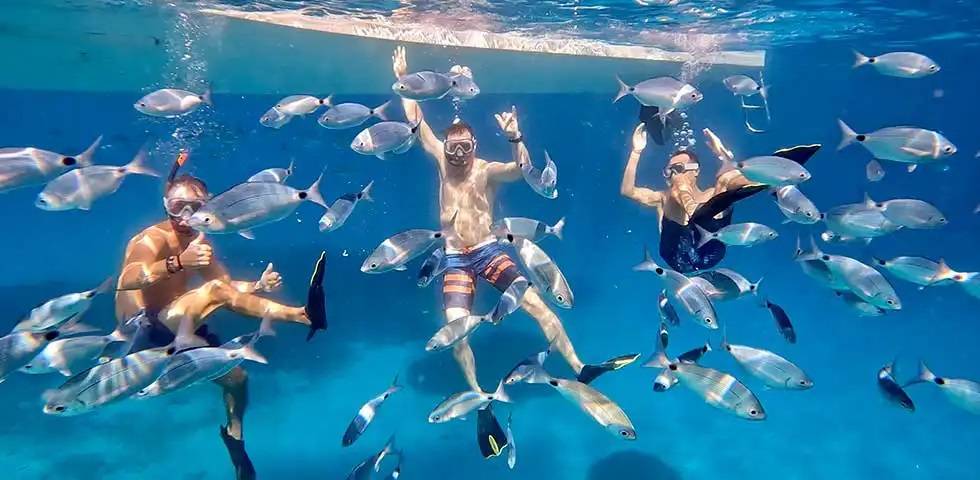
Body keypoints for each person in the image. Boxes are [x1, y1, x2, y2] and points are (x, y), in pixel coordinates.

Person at [392, 46, 637, 395]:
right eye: (452, 147)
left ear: (475, 145)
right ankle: (479, 394)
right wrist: (403, 80)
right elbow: (417, 121)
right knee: (456, 333)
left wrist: (514, 137)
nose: (458, 154)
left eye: (465, 147)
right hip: (454, 258)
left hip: (488, 252)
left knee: (537, 306)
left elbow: (521, 171)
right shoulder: (442, 162)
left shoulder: (485, 170)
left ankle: (580, 367)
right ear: (444, 146)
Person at [115, 151, 321, 480]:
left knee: (236, 377)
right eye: (177, 207)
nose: (185, 216)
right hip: (144, 329)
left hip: (180, 321)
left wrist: (257, 285)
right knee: (211, 296)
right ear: (166, 205)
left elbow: (224, 286)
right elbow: (128, 279)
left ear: (208, 207)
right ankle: (301, 315)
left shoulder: (199, 242)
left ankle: (235, 437)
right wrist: (178, 262)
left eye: (194, 208)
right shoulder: (151, 239)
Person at [621, 122, 820, 273]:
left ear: (695, 170)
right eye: (669, 171)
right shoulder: (664, 198)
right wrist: (636, 151)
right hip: (676, 259)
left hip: (710, 255)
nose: (674, 174)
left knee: (726, 179)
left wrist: (723, 155)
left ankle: (777, 172)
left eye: (679, 168)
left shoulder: (712, 193)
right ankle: (767, 176)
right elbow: (628, 191)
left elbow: (728, 180)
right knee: (679, 194)